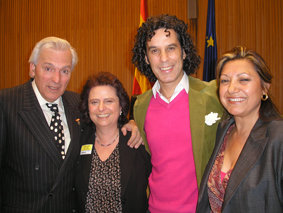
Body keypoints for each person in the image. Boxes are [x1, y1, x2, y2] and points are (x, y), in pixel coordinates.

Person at [0, 37, 142, 212]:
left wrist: (132, 124)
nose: (56, 79)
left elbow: (105, 119)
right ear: (32, 68)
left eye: (65, 71)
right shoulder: (6, 104)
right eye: (48, 68)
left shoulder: (76, 104)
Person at [132, 14, 223, 212]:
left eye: (171, 48)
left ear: (183, 52)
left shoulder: (212, 96)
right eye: (155, 51)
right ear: (146, 58)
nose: (164, 59)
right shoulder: (141, 105)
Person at [196, 46, 283, 213]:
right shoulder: (223, 130)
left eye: (243, 80)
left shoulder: (278, 137)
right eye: (225, 80)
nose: (231, 89)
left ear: (265, 87)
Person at [75, 72, 151, 213]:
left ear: (121, 106)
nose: (101, 108)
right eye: (94, 102)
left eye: (109, 101)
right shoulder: (78, 140)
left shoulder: (137, 142)